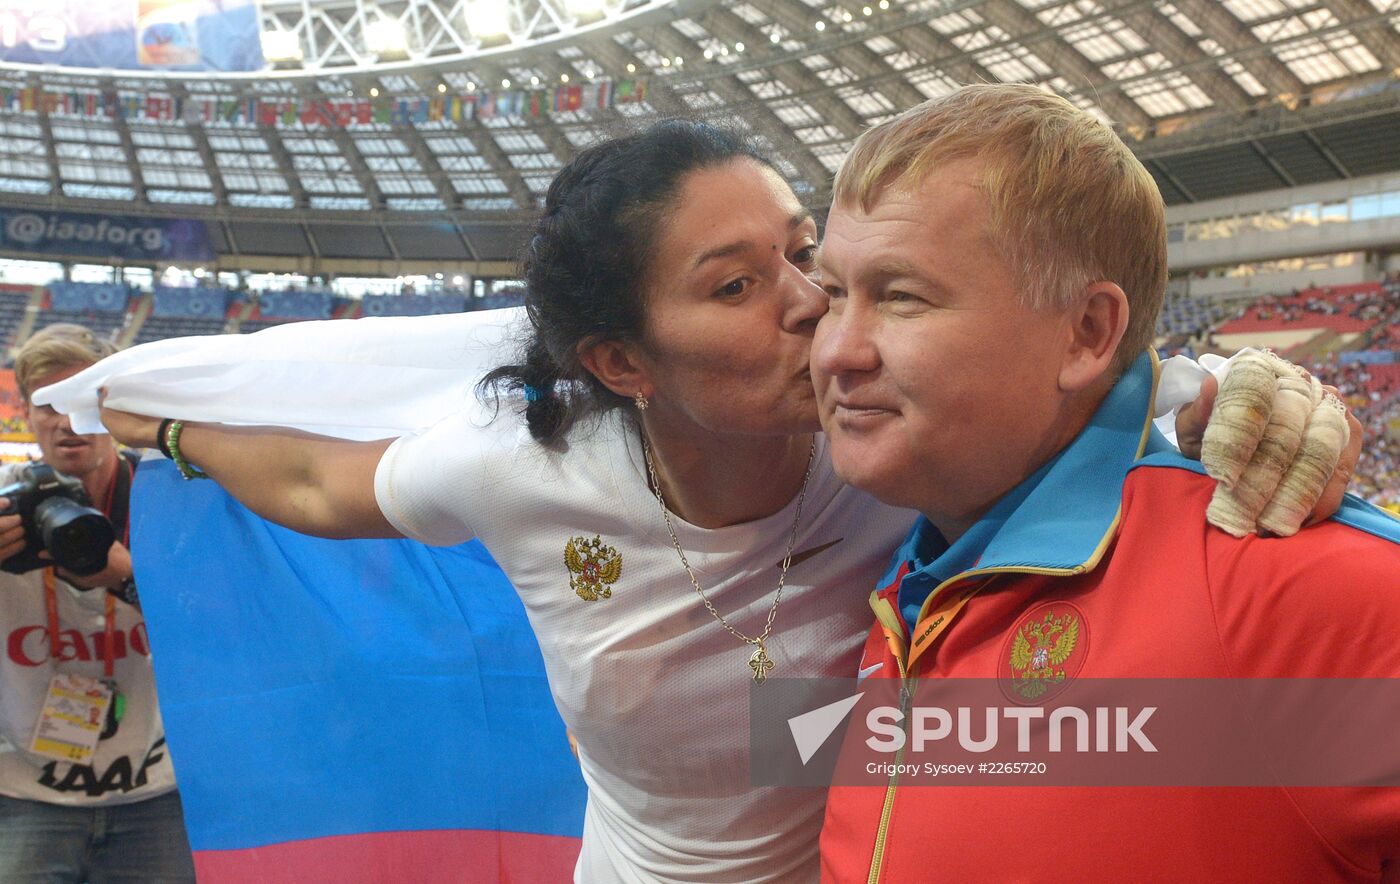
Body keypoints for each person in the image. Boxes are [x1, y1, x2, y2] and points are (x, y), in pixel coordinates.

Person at [87, 122, 1354, 882]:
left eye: (802, 252)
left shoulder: (885, 450)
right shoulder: (522, 460)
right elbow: (316, 478)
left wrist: (1242, 385)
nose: (816, 309)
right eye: (735, 286)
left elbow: (1065, 372)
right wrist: (162, 427)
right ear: (623, 365)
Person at [812, 84, 1400, 881]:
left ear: (1086, 333)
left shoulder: (1275, 589)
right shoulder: (908, 574)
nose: (837, 351)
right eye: (832, 294)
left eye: (902, 297)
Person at [0, 325, 195, 882]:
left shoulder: (169, 500)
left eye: (78, 401)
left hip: (154, 791)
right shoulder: (3, 504)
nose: (64, 422)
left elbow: (223, 626)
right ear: (26, 412)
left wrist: (125, 578)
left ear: (110, 406)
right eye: (45, 404)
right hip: (24, 790)